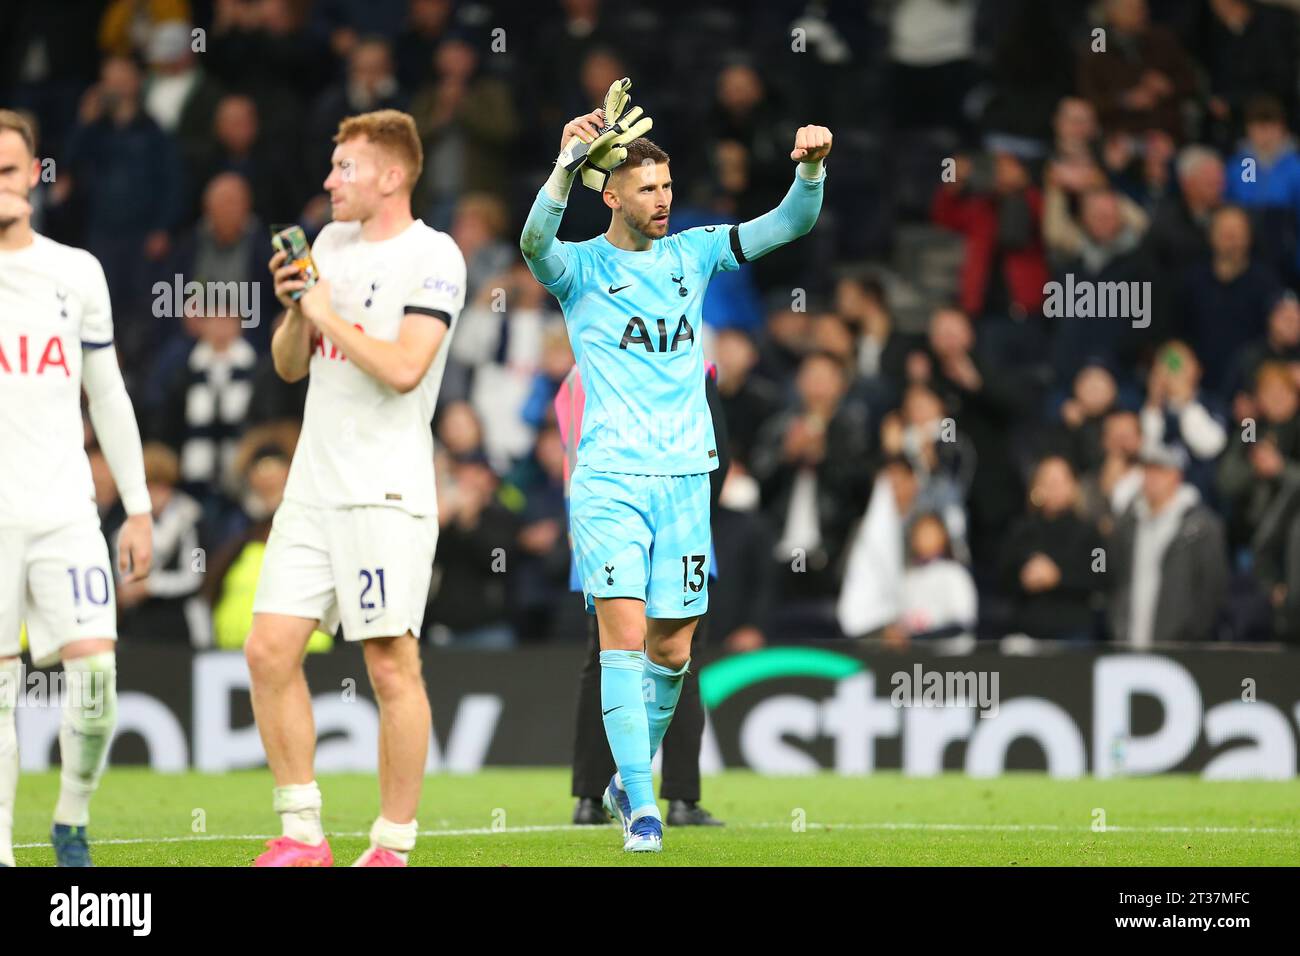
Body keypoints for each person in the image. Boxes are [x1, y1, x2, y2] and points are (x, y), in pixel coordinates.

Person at [519, 78, 829, 852]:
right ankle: (646, 812)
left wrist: (811, 170)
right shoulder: (581, 270)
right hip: (611, 479)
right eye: (646, 189)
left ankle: (627, 778)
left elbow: (788, 224)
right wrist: (564, 164)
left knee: (672, 649)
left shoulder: (694, 252)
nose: (662, 199)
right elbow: (533, 244)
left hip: (688, 477)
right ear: (613, 198)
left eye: (665, 186)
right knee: (623, 638)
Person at [246, 109, 466, 867]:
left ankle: (392, 847)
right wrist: (294, 314)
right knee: (269, 651)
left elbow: (405, 368)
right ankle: (303, 834)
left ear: (393, 176)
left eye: (345, 167)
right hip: (312, 487)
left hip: (385, 494)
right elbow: (288, 365)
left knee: (388, 667)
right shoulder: (329, 246)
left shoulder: (434, 256)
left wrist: (320, 310)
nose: (328, 180)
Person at [0, 110, 154, 867]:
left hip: (64, 510)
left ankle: (70, 821)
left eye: (7, 169)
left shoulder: (76, 271)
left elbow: (111, 396)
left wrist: (140, 508)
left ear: (35, 174)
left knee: (94, 684)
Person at [559, 364, 726, 829]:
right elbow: (721, 453)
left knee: (615, 657)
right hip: (671, 521)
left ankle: (592, 795)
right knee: (669, 661)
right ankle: (677, 797)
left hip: (610, 524)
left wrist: (575, 523)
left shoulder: (583, 371)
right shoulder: (691, 361)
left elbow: (568, 446)